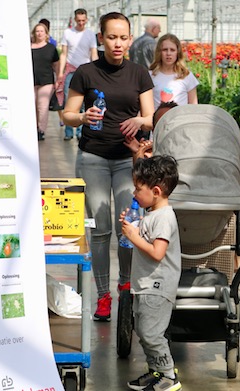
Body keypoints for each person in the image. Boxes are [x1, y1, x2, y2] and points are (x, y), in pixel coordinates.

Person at [62, 11, 155, 322]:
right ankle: (103, 295)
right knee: (101, 227)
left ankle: (126, 286)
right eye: (111, 37)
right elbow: (67, 114)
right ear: (100, 38)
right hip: (93, 158)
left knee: (127, 227)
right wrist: (83, 117)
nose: (117, 43)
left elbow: (151, 117)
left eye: (123, 37)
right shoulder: (86, 73)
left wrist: (139, 121)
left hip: (129, 160)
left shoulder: (139, 74)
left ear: (130, 39)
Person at [120, 155, 181, 391]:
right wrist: (132, 229)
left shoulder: (164, 218)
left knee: (151, 333)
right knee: (144, 332)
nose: (134, 194)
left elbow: (157, 252)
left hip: (157, 285)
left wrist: (134, 237)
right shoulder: (151, 214)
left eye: (138, 189)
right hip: (145, 284)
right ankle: (156, 371)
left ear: (155, 191)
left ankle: (168, 375)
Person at [57, 8, 99, 141]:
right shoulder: (68, 33)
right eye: (78, 20)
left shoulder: (90, 34)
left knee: (83, 101)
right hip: (70, 70)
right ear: (74, 20)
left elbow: (93, 53)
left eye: (83, 20)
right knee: (68, 100)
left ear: (86, 20)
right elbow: (64, 54)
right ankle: (69, 131)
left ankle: (81, 131)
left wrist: (97, 70)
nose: (81, 23)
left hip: (85, 71)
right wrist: (60, 73)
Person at [149, 33, 198, 108]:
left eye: (172, 50)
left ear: (177, 53)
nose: (168, 53)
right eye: (165, 50)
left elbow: (194, 106)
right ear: (159, 52)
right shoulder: (150, 75)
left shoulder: (186, 76)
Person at [31, 22, 59, 141]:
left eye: (42, 31)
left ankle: (41, 130)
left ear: (46, 34)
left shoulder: (51, 48)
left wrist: (58, 78)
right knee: (32, 106)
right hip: (31, 81)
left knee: (42, 106)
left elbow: (56, 65)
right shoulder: (28, 48)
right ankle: (33, 127)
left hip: (46, 81)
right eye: (37, 31)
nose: (39, 33)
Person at [39, 17, 65, 128]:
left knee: (54, 99)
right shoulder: (49, 41)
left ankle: (61, 119)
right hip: (47, 73)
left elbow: (55, 59)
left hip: (49, 73)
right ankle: (60, 119)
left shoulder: (51, 42)